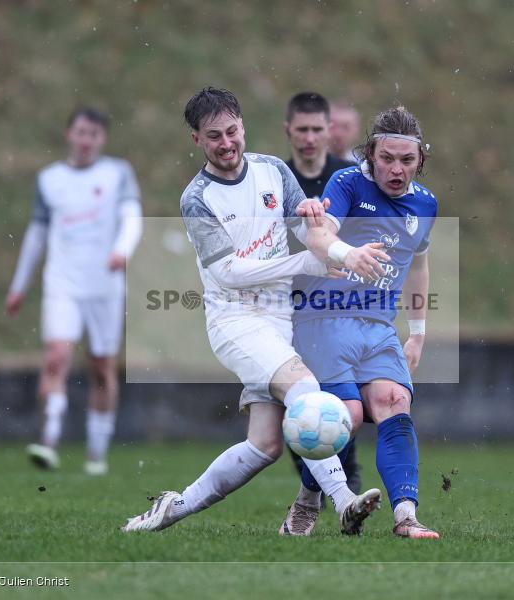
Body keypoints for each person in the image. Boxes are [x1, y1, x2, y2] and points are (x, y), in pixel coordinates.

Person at [121, 88, 386, 535]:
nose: (226, 144)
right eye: (213, 137)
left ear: (243, 126)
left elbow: (309, 230)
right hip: (236, 320)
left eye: (231, 132)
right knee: (307, 388)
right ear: (196, 141)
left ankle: (173, 508)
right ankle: (342, 502)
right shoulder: (197, 198)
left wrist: (337, 248)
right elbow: (228, 272)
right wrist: (308, 261)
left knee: (264, 445)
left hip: (280, 319)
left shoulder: (273, 170)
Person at [288, 105, 440, 539]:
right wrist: (346, 253)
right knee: (346, 416)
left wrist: (418, 333)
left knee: (395, 402)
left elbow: (418, 265)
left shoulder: (425, 204)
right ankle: (307, 502)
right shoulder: (349, 183)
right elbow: (319, 233)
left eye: (407, 160)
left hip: (377, 327)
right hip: (324, 318)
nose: (397, 169)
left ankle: (405, 517)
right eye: (387, 158)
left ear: (420, 161)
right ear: (370, 155)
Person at [5, 107, 143, 476]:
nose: (86, 140)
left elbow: (133, 218)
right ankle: (48, 442)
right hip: (62, 283)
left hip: (104, 287)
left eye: (94, 134)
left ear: (102, 139)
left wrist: (121, 251)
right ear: (70, 134)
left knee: (101, 367)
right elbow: (36, 235)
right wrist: (19, 286)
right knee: (55, 357)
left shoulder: (117, 174)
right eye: (81, 132)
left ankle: (96, 454)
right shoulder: (50, 179)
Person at [283, 91, 362, 497]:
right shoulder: (279, 181)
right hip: (288, 300)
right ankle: (321, 486)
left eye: (317, 129)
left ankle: (346, 478)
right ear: (288, 131)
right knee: (298, 398)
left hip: (337, 299)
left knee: (336, 394)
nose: (310, 138)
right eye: (303, 130)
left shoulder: (346, 178)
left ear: (329, 131)